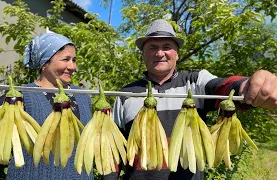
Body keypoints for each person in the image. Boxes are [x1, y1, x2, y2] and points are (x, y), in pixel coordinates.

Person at [111, 19, 277, 180]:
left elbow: (222, 87)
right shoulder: (125, 94)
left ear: (177, 54)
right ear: (143, 54)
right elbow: (113, 151)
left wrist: (247, 87)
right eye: (152, 47)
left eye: (167, 47)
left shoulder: (195, 82)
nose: (159, 53)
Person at [0, 33, 93, 180]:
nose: (72, 66)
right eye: (66, 59)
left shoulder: (83, 96)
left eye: (74, 60)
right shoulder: (22, 96)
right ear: (44, 64)